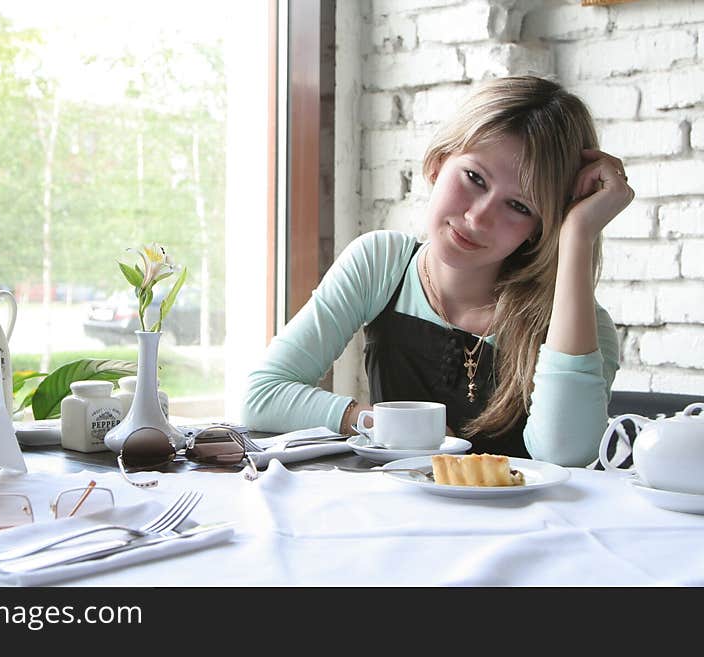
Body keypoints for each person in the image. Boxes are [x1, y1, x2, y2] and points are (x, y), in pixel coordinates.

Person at [241, 75, 633, 467]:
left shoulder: (581, 328)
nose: (478, 217)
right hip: (395, 518)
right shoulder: (382, 263)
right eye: (475, 178)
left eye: (519, 207)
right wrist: (380, 423)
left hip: (522, 527)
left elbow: (564, 456)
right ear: (437, 163)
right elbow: (261, 396)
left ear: (542, 228)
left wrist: (578, 235)